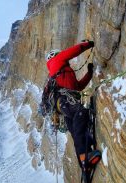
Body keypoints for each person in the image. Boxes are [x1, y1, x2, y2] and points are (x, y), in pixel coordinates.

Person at [45, 40, 101, 179]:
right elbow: (73, 51)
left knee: (77, 131)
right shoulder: (56, 61)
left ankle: (84, 165)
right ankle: (84, 157)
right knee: (81, 113)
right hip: (64, 101)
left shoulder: (62, 73)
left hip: (64, 104)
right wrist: (88, 44)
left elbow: (78, 87)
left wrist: (89, 73)